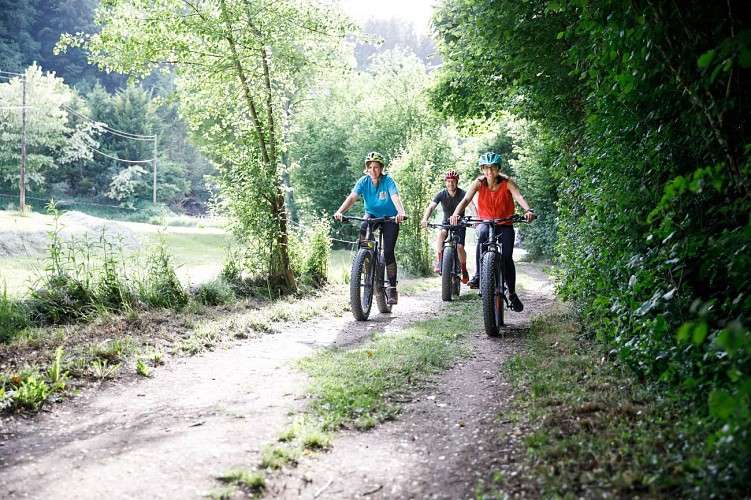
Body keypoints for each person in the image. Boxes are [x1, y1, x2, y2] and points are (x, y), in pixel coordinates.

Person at [450, 152, 536, 312]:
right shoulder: (479, 183)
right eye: (486, 168)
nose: (490, 172)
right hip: (486, 222)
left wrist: (528, 210)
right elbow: (466, 200)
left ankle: (512, 293)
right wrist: (455, 214)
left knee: (506, 258)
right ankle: (478, 275)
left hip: (505, 223)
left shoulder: (507, 182)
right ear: (482, 169)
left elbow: (519, 196)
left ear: (498, 168)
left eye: (493, 168)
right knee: (481, 235)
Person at [334, 151, 407, 305]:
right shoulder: (363, 182)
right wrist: (340, 211)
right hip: (372, 215)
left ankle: (392, 288)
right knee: (363, 227)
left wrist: (401, 213)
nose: (373, 170)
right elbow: (352, 197)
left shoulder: (388, 181)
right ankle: (365, 259)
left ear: (381, 168)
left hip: (390, 217)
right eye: (370, 167)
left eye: (376, 167)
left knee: (388, 252)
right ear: (366, 168)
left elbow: (395, 197)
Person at [421, 170, 476, 284]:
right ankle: (440, 261)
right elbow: (431, 207)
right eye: (448, 181)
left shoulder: (463, 194)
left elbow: (472, 207)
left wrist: (476, 220)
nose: (451, 184)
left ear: (457, 182)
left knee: (460, 246)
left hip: (460, 222)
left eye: (453, 181)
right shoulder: (441, 194)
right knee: (442, 234)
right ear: (445, 182)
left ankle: (464, 270)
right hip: (446, 222)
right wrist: (425, 219)